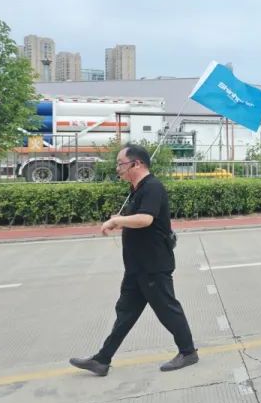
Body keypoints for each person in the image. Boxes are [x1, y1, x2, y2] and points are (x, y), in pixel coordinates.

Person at [70, 144, 197, 377]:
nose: (118, 168)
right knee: (125, 312)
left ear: (136, 164)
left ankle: (188, 352)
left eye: (121, 163)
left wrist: (117, 221)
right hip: (137, 266)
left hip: (153, 265)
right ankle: (102, 360)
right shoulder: (137, 189)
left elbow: (146, 219)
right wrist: (122, 220)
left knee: (167, 309)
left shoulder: (153, 187)